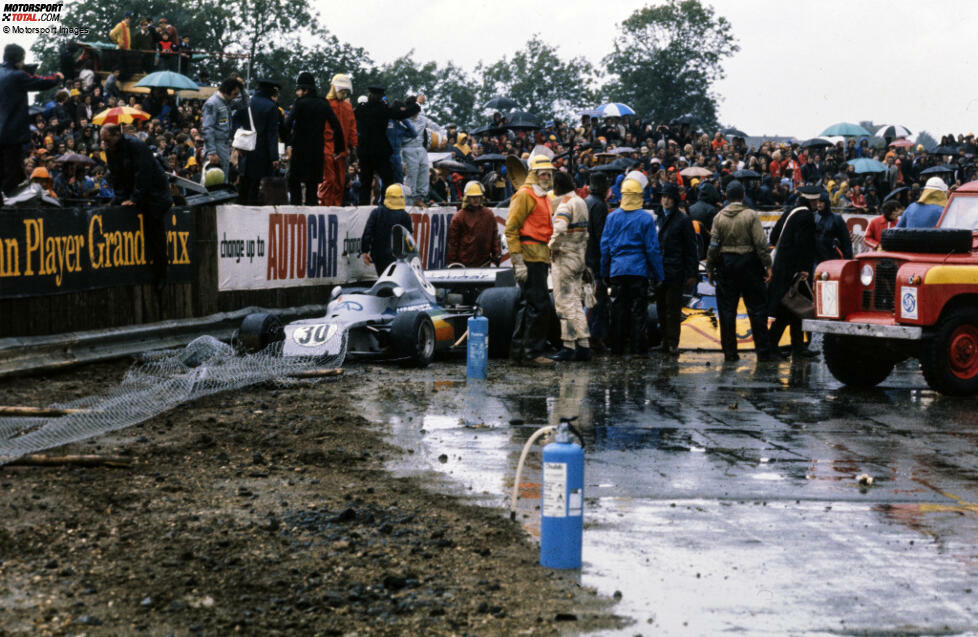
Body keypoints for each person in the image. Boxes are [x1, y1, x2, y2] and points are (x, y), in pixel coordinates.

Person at [706, 180, 775, 362]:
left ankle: (730, 353)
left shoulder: (719, 217)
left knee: (727, 312)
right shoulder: (751, 215)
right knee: (757, 310)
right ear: (743, 196)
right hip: (750, 265)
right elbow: (761, 244)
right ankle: (762, 351)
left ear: (726, 196)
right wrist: (767, 265)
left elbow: (713, 247)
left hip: (726, 266)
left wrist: (710, 267)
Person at [101, 123, 172, 290]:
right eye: (103, 141)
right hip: (134, 191)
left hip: (155, 195)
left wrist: (135, 198)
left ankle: (161, 274)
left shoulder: (136, 145)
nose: (105, 144)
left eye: (108, 140)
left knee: (155, 232)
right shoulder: (109, 151)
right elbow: (117, 177)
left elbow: (143, 173)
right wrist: (119, 198)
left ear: (117, 135)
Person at [600, 175, 664, 357]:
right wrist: (658, 274)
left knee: (618, 310)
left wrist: (604, 272)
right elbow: (652, 249)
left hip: (617, 270)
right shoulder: (645, 219)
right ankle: (638, 350)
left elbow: (605, 247)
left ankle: (617, 348)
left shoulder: (612, 218)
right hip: (639, 271)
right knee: (638, 311)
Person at [505, 155, 556, 367]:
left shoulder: (542, 196)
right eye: (543, 173)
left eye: (549, 173)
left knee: (528, 305)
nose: (546, 177)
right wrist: (518, 261)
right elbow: (511, 229)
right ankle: (532, 353)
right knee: (538, 305)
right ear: (534, 174)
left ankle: (518, 353)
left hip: (539, 254)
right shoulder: (525, 195)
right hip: (530, 255)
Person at [0, 44, 63, 196]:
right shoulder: (18, 75)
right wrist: (57, 77)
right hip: (11, 133)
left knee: (5, 171)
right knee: (13, 175)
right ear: (18, 60)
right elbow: (39, 82)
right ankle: (9, 209)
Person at [767, 185, 817, 359]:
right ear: (813, 201)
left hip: (781, 265)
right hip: (794, 269)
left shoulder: (790, 212)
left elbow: (773, 237)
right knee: (790, 307)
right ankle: (774, 345)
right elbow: (805, 245)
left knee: (796, 307)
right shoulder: (807, 217)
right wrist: (804, 268)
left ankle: (797, 346)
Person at [549, 171, 592, 361]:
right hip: (579, 256)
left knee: (564, 302)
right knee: (575, 301)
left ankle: (568, 345)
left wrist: (551, 247)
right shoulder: (581, 202)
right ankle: (583, 344)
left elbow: (559, 229)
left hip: (565, 257)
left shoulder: (565, 204)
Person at [285, 71, 345, 205]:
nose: (297, 93)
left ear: (305, 90)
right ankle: (310, 215)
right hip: (317, 150)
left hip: (299, 150)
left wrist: (287, 143)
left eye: (298, 89)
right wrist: (338, 148)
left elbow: (287, 124)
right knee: (312, 186)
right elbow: (337, 127)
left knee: (294, 181)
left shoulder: (299, 104)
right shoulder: (323, 104)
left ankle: (297, 211)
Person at [354, 86, 420, 205]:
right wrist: (415, 106)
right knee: (387, 179)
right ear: (381, 97)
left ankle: (363, 205)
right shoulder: (383, 109)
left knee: (365, 181)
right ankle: (386, 204)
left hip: (364, 150)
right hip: (381, 150)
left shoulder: (361, 109)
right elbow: (400, 114)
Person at [655, 181, 699, 357]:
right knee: (660, 307)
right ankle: (664, 341)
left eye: (668, 198)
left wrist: (692, 272)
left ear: (674, 200)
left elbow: (691, 248)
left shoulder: (683, 220)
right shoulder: (659, 217)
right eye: (663, 197)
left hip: (675, 269)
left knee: (672, 309)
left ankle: (672, 342)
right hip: (660, 268)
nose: (665, 201)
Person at [234, 78, 281, 205]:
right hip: (261, 151)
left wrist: (239, 137)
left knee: (243, 182)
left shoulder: (247, 102)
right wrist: (274, 157)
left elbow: (235, 120)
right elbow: (272, 134)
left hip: (244, 148)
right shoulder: (271, 107)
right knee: (255, 186)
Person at [319, 73, 357, 206]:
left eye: (346, 90)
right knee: (329, 181)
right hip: (327, 149)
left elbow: (352, 129)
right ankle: (324, 206)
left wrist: (353, 146)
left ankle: (335, 207)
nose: (344, 92)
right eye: (342, 90)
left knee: (340, 182)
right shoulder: (325, 104)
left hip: (341, 151)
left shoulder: (347, 107)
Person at [361, 184, 413, 276]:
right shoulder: (405, 216)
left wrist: (365, 251)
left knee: (382, 279)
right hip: (398, 257)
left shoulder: (376, 213)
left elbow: (368, 232)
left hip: (379, 255)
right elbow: (409, 238)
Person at [584, 172, 611, 351]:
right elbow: (602, 237)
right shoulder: (599, 205)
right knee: (597, 301)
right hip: (596, 260)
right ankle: (593, 338)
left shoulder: (585, 202)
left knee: (587, 299)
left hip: (585, 258)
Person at [445, 181, 501, 267]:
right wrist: (452, 263)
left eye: (478, 197)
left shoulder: (488, 214)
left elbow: (494, 236)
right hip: (464, 265)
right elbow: (453, 243)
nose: (476, 199)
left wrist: (496, 253)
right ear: (467, 198)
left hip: (484, 263)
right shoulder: (459, 217)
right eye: (473, 197)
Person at [201, 76, 242, 183]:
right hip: (215, 146)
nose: (236, 97)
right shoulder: (212, 103)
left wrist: (243, 88)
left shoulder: (226, 102)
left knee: (223, 180)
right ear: (227, 91)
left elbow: (244, 103)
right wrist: (212, 152)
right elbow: (207, 128)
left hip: (223, 146)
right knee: (214, 182)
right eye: (235, 94)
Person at [401, 94, 430, 205]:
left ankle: (420, 199)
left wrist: (443, 136)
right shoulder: (402, 120)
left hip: (421, 149)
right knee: (412, 176)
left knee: (424, 173)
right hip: (408, 150)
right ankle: (409, 202)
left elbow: (433, 125)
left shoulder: (422, 118)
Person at [814, 190, 853, 264]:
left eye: (821, 202)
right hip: (816, 258)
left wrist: (848, 261)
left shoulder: (837, 219)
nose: (819, 205)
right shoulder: (814, 217)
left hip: (832, 257)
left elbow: (846, 241)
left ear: (826, 203)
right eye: (817, 202)